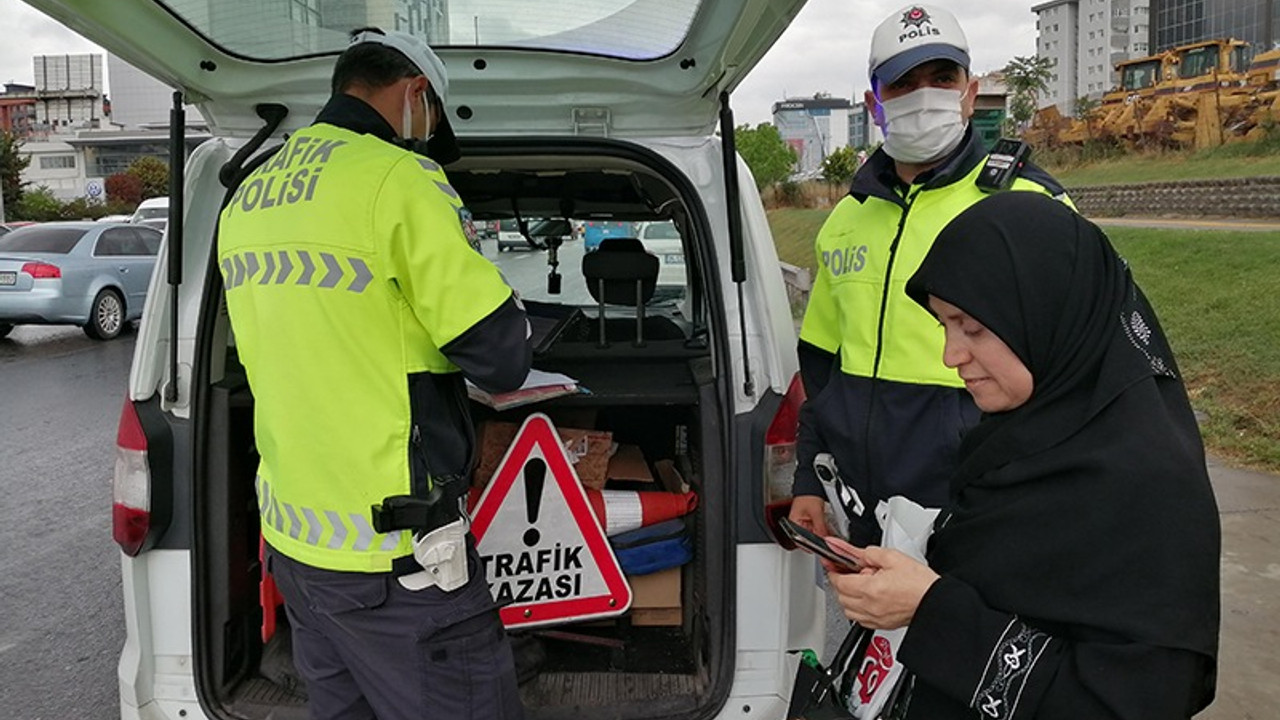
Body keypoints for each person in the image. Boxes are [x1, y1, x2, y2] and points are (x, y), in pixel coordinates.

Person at [217, 27, 531, 720]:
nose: (426, 142)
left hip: (298, 549)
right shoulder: (399, 180)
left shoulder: (250, 192)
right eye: (432, 124)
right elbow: (503, 358)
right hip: (400, 565)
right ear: (416, 93)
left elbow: (323, 333)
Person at [825, 192, 1221, 718]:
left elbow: (1136, 701)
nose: (951, 355)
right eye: (945, 325)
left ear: (1047, 311)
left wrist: (929, 610)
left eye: (974, 328)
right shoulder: (1024, 433)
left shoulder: (1150, 489)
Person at [788, 4, 1070, 546]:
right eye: (903, 83)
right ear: (874, 104)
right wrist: (809, 479)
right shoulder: (846, 220)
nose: (925, 95)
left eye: (942, 78)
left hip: (987, 514)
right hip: (865, 515)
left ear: (970, 91)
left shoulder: (1029, 206)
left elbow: (1081, 374)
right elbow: (821, 369)